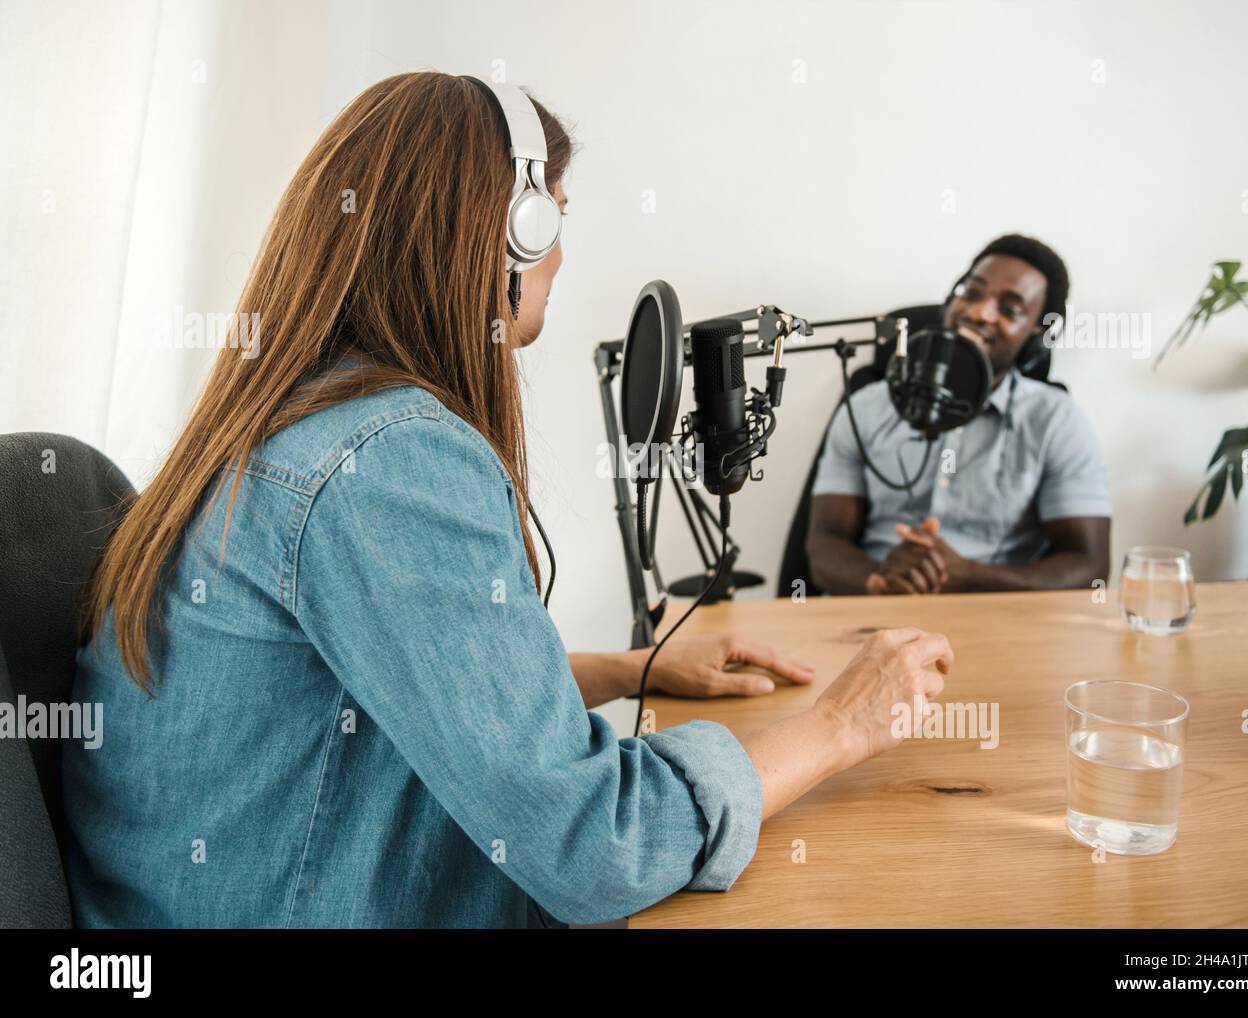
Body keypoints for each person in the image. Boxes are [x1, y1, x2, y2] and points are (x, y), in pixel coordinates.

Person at [63, 71, 953, 928]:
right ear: (510, 235)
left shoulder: (297, 422)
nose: (562, 256)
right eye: (556, 219)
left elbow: (379, 688)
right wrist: (843, 723)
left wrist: (620, 673)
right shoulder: (390, 459)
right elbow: (597, 847)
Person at [806, 235, 1112, 596]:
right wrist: (881, 578)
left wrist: (970, 576)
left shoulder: (1057, 421)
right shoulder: (866, 406)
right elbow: (824, 543)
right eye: (971, 292)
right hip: (872, 616)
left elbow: (1089, 565)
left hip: (995, 622)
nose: (979, 312)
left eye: (1010, 309)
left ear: (1036, 336)